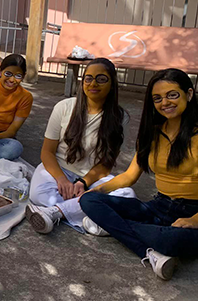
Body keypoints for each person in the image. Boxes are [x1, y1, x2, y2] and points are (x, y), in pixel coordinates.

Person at [80, 69, 198, 280]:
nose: (165, 102)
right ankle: (148, 252)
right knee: (89, 201)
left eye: (172, 95)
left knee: (168, 240)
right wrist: (97, 191)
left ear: (189, 94)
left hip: (195, 215)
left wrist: (196, 220)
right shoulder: (151, 134)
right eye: (157, 98)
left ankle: (111, 226)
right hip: (158, 208)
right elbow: (130, 176)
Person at [25, 58, 136, 235]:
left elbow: (107, 163)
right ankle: (95, 218)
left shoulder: (120, 117)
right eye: (88, 78)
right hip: (59, 169)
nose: (93, 83)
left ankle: (55, 212)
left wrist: (84, 183)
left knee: (127, 195)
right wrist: (62, 180)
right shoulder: (64, 107)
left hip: (93, 178)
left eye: (101, 79)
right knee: (38, 194)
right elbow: (47, 152)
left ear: (112, 84)